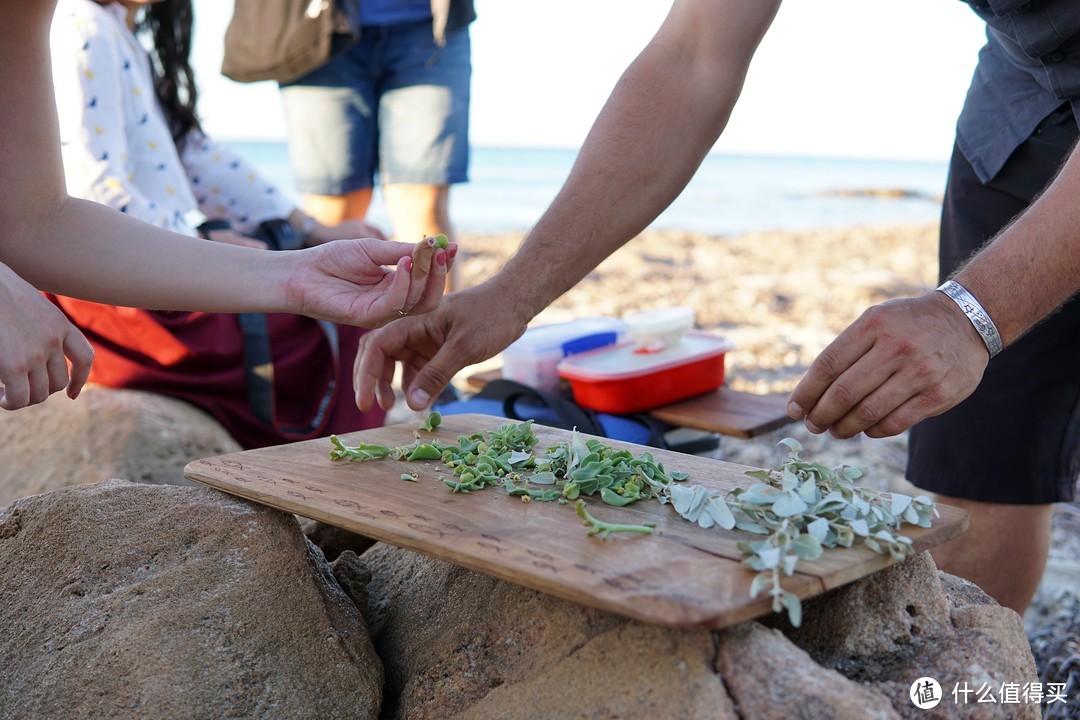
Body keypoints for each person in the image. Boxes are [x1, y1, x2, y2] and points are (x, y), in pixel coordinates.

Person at [352, 0, 1080, 615]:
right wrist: (509, 296)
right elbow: (690, 58)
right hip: (1025, 96)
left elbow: (970, 319)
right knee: (981, 453)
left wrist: (970, 313)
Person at [0, 0, 452, 413]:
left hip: (132, 261)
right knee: (323, 346)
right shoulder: (84, 28)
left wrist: (307, 246)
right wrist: (201, 234)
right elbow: (94, 185)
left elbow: (195, 159)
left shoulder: (111, 30)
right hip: (126, 301)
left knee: (336, 325)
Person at [270, 0, 475, 291]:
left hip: (429, 25)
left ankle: (429, 333)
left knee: (423, 207)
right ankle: (337, 337)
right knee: (332, 212)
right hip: (314, 25)